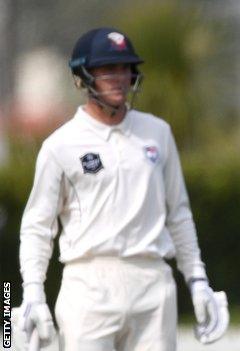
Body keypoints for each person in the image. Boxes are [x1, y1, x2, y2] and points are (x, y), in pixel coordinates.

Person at [18, 27, 229, 350]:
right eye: (107, 69)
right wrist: (32, 291)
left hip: (152, 282)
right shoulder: (60, 145)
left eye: (125, 68)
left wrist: (197, 279)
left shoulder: (157, 133)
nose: (119, 77)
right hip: (88, 285)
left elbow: (179, 214)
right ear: (83, 76)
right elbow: (37, 226)